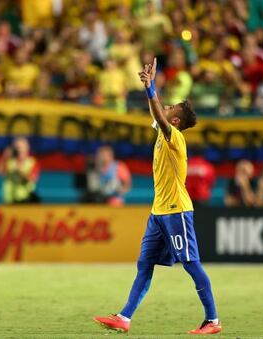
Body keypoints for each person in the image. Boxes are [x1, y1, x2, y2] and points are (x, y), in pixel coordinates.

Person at [94, 58, 221, 335]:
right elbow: (158, 115)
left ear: (175, 120)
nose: (165, 106)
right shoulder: (166, 132)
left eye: (170, 108)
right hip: (159, 212)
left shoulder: (174, 136)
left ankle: (212, 320)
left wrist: (150, 88)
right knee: (145, 263)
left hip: (176, 210)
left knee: (190, 263)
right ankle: (124, 317)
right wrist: (152, 89)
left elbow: (160, 117)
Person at [0, 137, 40, 204]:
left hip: (25, 199)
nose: (19, 150)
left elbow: (31, 179)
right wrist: (4, 157)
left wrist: (18, 171)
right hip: (9, 200)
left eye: (21, 147)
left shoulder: (32, 162)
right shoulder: (10, 162)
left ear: (27, 148)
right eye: (17, 147)